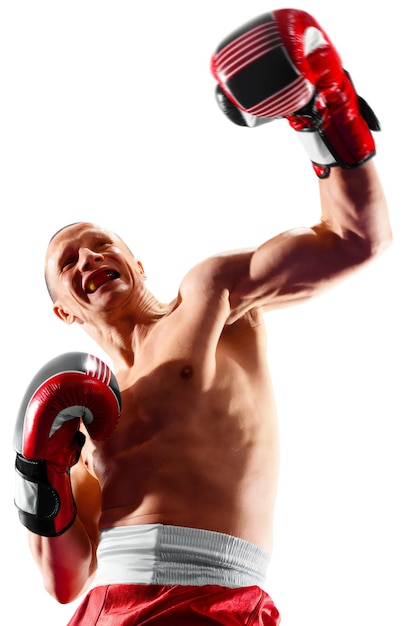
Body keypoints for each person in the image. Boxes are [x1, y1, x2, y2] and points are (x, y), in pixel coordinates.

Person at [14, 8, 392, 625]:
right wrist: (38, 473)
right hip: (107, 611)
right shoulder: (81, 424)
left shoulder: (211, 295)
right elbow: (65, 580)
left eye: (102, 243)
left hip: (219, 603)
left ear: (135, 260)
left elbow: (355, 241)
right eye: (69, 260)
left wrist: (325, 113)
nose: (90, 257)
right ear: (63, 308)